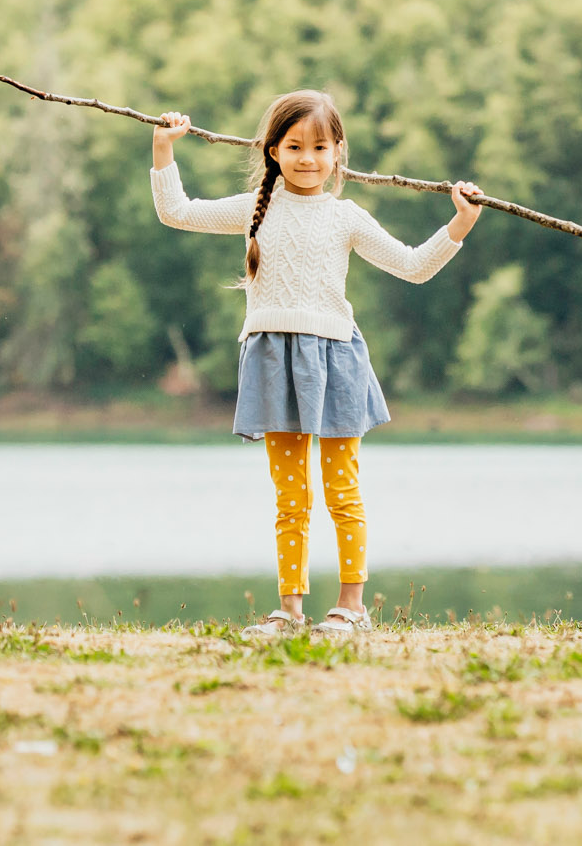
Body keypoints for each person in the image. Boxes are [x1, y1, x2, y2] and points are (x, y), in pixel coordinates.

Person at [151, 90, 482, 639]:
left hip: (335, 361)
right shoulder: (254, 208)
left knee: (341, 490)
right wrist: (164, 149)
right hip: (271, 361)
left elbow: (414, 267)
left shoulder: (346, 217)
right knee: (291, 499)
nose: (307, 158)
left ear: (338, 154)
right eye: (294, 145)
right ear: (272, 151)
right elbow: (176, 213)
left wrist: (459, 226)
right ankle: (290, 610)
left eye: (320, 146)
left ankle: (351, 605)